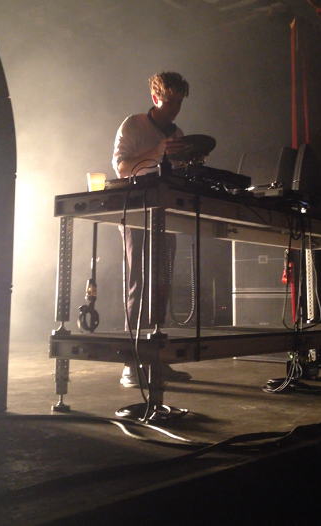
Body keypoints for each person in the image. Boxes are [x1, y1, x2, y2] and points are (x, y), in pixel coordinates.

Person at [112, 71, 192, 387]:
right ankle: (131, 364)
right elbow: (121, 167)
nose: (174, 108)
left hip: (164, 211)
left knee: (161, 282)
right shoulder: (133, 125)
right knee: (137, 282)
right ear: (156, 98)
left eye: (179, 103)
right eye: (170, 101)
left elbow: (178, 173)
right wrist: (158, 151)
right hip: (134, 211)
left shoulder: (179, 132)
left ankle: (157, 356)